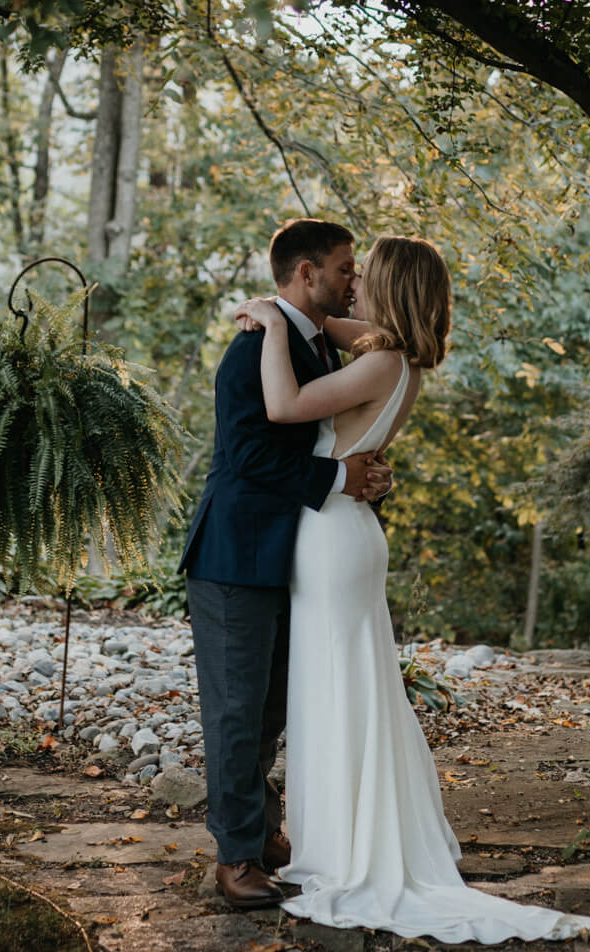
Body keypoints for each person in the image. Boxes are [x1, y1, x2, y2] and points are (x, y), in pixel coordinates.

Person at [231, 234, 590, 943]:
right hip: (348, 530)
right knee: (350, 685)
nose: (354, 285)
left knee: (335, 689)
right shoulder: (400, 357)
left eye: (366, 275)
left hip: (331, 539)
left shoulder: (379, 360)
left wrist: (269, 319)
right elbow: (330, 328)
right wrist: (287, 316)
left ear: (392, 288)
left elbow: (284, 406)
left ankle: (345, 851)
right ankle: (346, 833)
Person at [178, 218, 392, 909]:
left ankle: (264, 832)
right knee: (237, 714)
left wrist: (363, 475)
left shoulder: (313, 344)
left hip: (289, 558)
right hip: (236, 557)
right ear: (306, 273)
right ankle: (235, 858)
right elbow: (248, 456)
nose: (352, 279)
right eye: (342, 268)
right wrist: (339, 481)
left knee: (270, 710)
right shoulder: (253, 350)